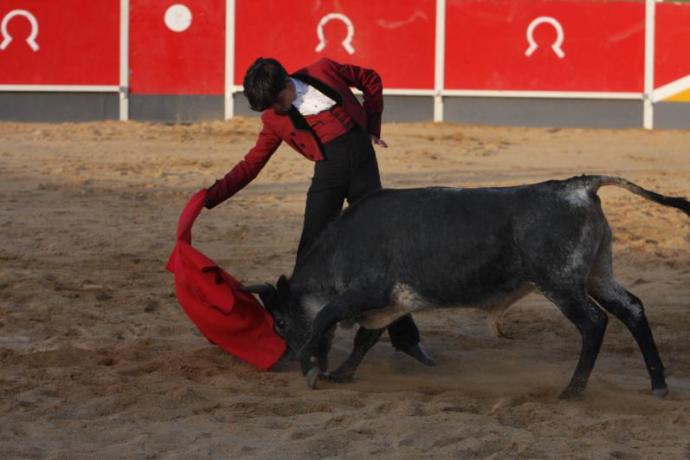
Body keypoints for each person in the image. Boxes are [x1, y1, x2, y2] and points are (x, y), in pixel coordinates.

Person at [204, 57, 434, 366]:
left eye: (277, 101)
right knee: (308, 255)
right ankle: (297, 337)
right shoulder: (274, 119)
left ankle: (406, 340)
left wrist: (372, 125)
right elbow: (251, 165)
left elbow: (371, 79)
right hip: (328, 177)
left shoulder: (323, 70)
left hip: (364, 169)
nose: (276, 108)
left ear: (286, 82)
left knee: (381, 257)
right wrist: (210, 195)